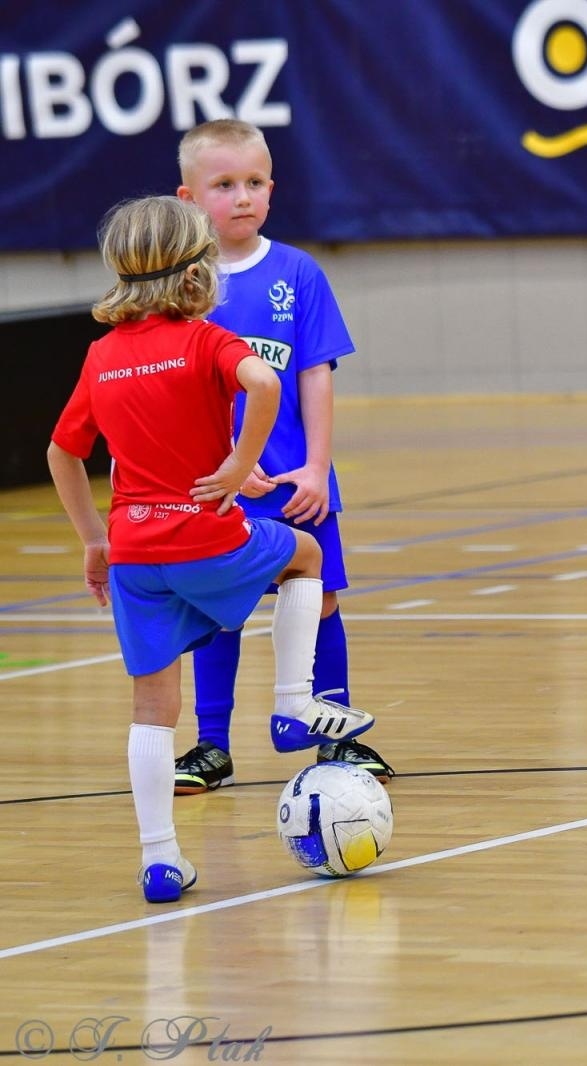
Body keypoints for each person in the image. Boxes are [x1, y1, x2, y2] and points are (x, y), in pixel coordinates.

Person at [47, 196, 377, 902]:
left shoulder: (102, 355)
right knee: (306, 557)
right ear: (197, 268)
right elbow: (264, 381)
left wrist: (93, 541)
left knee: (150, 708)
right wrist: (237, 466)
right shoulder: (205, 337)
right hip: (203, 530)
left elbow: (61, 451)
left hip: (134, 553)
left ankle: (160, 860)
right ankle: (292, 703)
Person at [173, 119, 393, 793]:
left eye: (255, 182)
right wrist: (223, 468)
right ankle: (212, 746)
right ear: (187, 199)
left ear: (273, 188)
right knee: (217, 611)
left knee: (319, 599)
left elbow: (316, 373)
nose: (242, 197)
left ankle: (332, 737)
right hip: (218, 485)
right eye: (224, 184)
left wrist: (319, 466)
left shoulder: (297, 272)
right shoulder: (180, 288)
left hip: (295, 482)